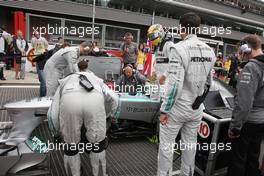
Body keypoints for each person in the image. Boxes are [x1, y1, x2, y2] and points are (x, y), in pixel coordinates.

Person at [150, 13, 216, 176]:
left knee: (166, 147)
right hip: (196, 108)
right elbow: (209, 83)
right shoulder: (210, 51)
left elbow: (174, 86)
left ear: (181, 28)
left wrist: (165, 110)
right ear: (198, 28)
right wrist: (198, 101)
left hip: (177, 108)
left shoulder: (178, 48)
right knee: (190, 146)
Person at [48, 60, 118, 176]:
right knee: (97, 144)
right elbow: (115, 99)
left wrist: (56, 131)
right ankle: (99, 174)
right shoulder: (97, 80)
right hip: (94, 103)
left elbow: (52, 114)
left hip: (70, 102)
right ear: (88, 68)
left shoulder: (65, 81)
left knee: (71, 145)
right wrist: (112, 117)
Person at [227, 34, 264, 176]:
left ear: (247, 48)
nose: (240, 55)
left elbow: (244, 102)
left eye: (241, 51)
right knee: (253, 158)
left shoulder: (251, 67)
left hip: (248, 122)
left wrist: (235, 127)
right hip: (261, 122)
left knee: (238, 160)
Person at [31, 31, 49, 96]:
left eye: (38, 34)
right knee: (39, 73)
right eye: (36, 34)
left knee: (42, 73)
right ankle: (41, 79)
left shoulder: (43, 39)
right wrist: (33, 38)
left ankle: (43, 92)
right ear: (34, 35)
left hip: (43, 56)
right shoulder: (33, 39)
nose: (37, 35)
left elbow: (47, 45)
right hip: (37, 57)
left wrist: (43, 49)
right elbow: (32, 45)